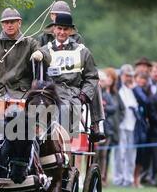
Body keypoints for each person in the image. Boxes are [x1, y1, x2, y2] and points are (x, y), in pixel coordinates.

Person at [33, 13, 105, 141]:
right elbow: (37, 73)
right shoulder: (45, 50)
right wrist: (37, 55)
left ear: (71, 31)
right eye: (59, 28)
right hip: (51, 92)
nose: (62, 32)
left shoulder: (82, 51)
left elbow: (92, 77)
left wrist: (84, 94)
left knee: (68, 108)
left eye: (65, 29)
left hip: (73, 93)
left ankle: (67, 145)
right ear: (54, 29)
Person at [0, 8, 40, 99]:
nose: (9, 25)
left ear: (19, 23)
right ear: (2, 25)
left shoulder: (30, 42)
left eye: (12, 22)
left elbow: (45, 53)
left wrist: (40, 53)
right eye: (6, 23)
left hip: (20, 92)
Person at [113, 64, 138, 187]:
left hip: (132, 125)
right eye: (127, 75)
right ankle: (118, 178)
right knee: (120, 153)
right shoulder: (117, 89)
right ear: (121, 76)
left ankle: (129, 178)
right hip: (121, 125)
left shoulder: (134, 89)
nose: (129, 78)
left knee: (131, 154)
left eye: (131, 76)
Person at [101, 67, 125, 186]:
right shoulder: (100, 93)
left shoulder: (114, 94)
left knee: (106, 154)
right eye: (107, 77)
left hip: (110, 128)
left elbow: (119, 109)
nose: (108, 80)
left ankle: (104, 177)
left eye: (112, 78)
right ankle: (98, 177)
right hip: (100, 127)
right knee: (98, 154)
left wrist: (117, 121)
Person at [132, 72, 151, 188]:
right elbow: (145, 100)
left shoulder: (143, 90)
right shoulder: (135, 89)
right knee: (134, 153)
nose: (142, 81)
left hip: (142, 125)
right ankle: (133, 179)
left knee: (140, 154)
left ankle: (137, 179)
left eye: (144, 79)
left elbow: (146, 103)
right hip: (135, 126)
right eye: (140, 78)